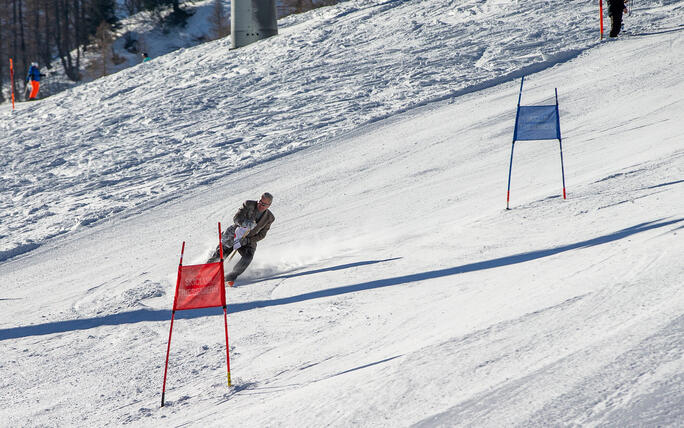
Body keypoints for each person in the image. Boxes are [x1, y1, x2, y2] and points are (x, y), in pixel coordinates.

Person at [208, 193, 275, 285]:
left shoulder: (270, 218)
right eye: (260, 202)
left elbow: (262, 234)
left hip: (249, 240)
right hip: (235, 233)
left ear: (269, 205)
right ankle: (205, 272)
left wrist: (248, 241)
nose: (260, 205)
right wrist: (245, 223)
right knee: (221, 254)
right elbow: (236, 218)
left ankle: (230, 277)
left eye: (264, 204)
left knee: (248, 257)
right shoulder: (248, 204)